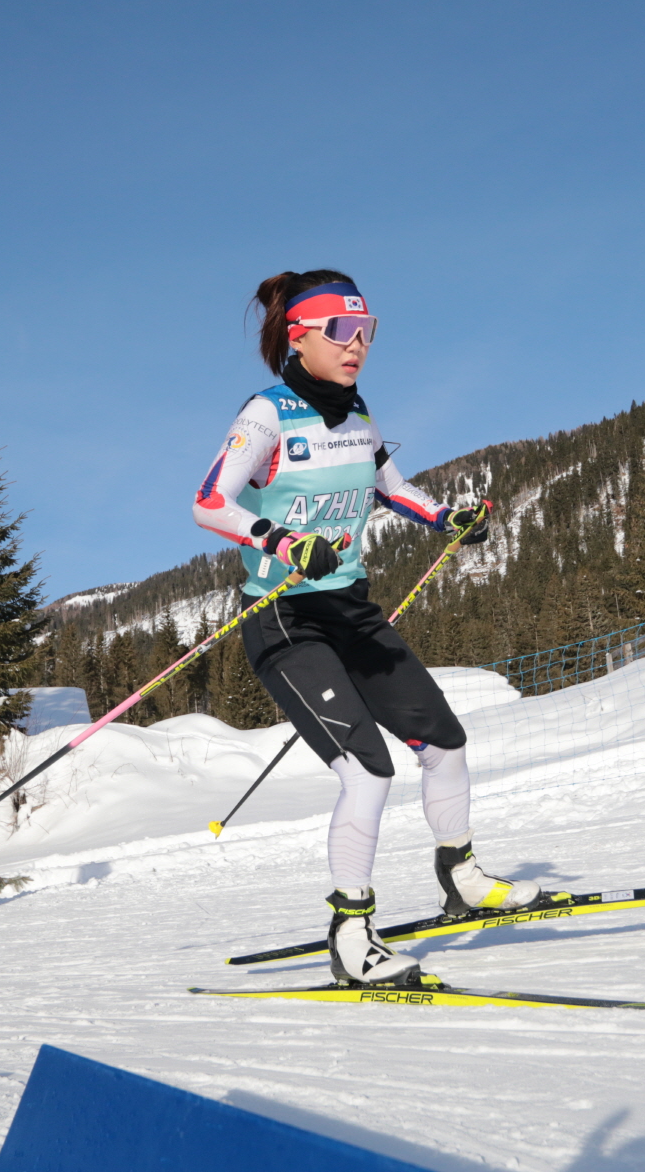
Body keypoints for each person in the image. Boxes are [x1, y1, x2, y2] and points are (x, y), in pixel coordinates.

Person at [193, 269, 543, 985]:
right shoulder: (267, 415)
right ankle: (351, 935)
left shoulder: (358, 415)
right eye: (341, 331)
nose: (357, 345)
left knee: (444, 742)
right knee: (367, 770)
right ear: (299, 337)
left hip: (350, 610)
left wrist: (446, 518)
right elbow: (208, 501)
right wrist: (281, 541)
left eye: (367, 331)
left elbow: (391, 488)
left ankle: (462, 878)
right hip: (285, 618)